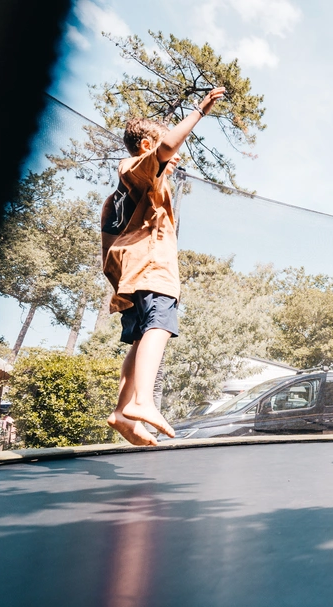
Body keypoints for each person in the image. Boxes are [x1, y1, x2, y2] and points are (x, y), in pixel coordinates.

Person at [103, 87, 226, 446]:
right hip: (151, 266)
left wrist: (119, 280)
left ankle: (122, 412)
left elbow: (109, 241)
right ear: (146, 148)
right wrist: (199, 112)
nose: (174, 158)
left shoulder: (118, 195)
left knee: (141, 337)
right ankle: (143, 400)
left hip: (130, 272)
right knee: (159, 326)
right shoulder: (140, 170)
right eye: (165, 151)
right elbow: (167, 148)